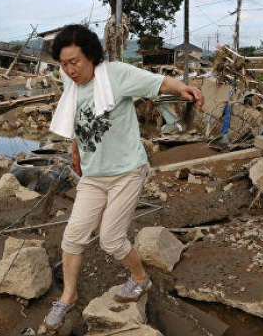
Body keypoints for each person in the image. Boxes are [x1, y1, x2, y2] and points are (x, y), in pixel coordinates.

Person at [43, 24, 204, 332]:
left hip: (127, 172)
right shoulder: (70, 82)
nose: (69, 69)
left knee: (111, 239)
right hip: (93, 174)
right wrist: (75, 152)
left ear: (91, 56)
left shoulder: (115, 74)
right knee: (73, 237)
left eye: (74, 62)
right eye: (63, 64)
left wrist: (184, 89)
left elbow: (159, 82)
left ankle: (140, 279)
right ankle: (68, 295)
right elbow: (77, 120)